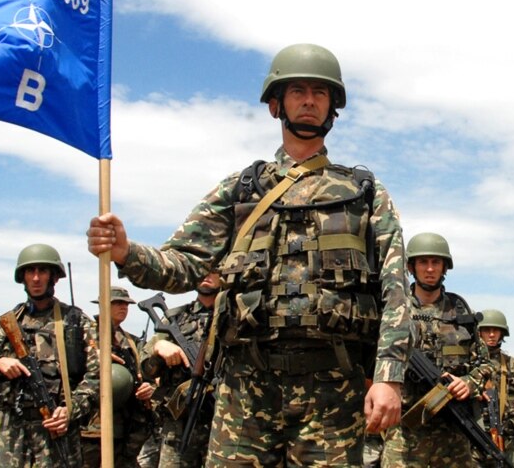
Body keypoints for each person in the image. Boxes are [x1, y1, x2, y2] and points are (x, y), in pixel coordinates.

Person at [87, 43, 411, 467]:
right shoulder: (241, 190)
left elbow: (395, 291)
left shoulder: (364, 193)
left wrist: (388, 377)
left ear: (333, 106)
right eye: (297, 91)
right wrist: (126, 252)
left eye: (319, 92)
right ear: (276, 104)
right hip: (244, 389)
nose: (309, 100)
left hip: (332, 391)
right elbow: (183, 265)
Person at [0, 243, 99, 467]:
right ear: (22, 277)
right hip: (14, 432)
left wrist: (71, 409)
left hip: (58, 428)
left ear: (54, 277)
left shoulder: (76, 321)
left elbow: (97, 377)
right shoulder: (11, 323)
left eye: (42, 271)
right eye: (30, 272)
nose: (35, 278)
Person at [382, 232, 492, 468]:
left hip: (452, 429)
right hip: (405, 431)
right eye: (423, 262)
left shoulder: (460, 311)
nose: (430, 269)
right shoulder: (395, 309)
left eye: (436, 262)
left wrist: (468, 383)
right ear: (411, 267)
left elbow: (485, 365)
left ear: (445, 267)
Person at [140, 271, 220, 468]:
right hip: (179, 425)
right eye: (201, 270)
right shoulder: (176, 318)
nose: (206, 276)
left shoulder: (234, 318)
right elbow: (146, 370)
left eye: (213, 271)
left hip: (224, 425)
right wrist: (158, 349)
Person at [81, 286, 156, 468]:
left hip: (126, 425)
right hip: (92, 425)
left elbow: (148, 376)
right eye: (117, 303)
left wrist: (148, 388)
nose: (123, 307)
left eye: (126, 304)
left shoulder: (132, 342)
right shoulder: (84, 335)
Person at [474, 309, 514, 468]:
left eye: (496, 330)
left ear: (502, 334)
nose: (492, 335)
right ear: (479, 332)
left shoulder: (512, 366)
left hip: (507, 439)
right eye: (487, 330)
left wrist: (510, 422)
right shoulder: (469, 364)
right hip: (474, 438)